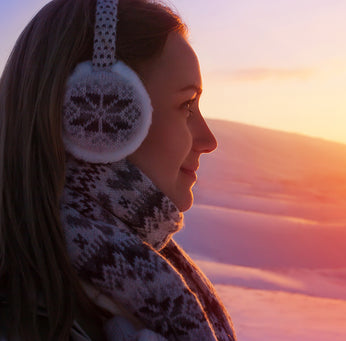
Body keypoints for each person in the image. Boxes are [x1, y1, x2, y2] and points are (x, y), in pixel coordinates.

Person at [0, 0, 236, 340]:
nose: (208, 140)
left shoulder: (132, 274)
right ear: (99, 118)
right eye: (186, 105)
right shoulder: (23, 319)